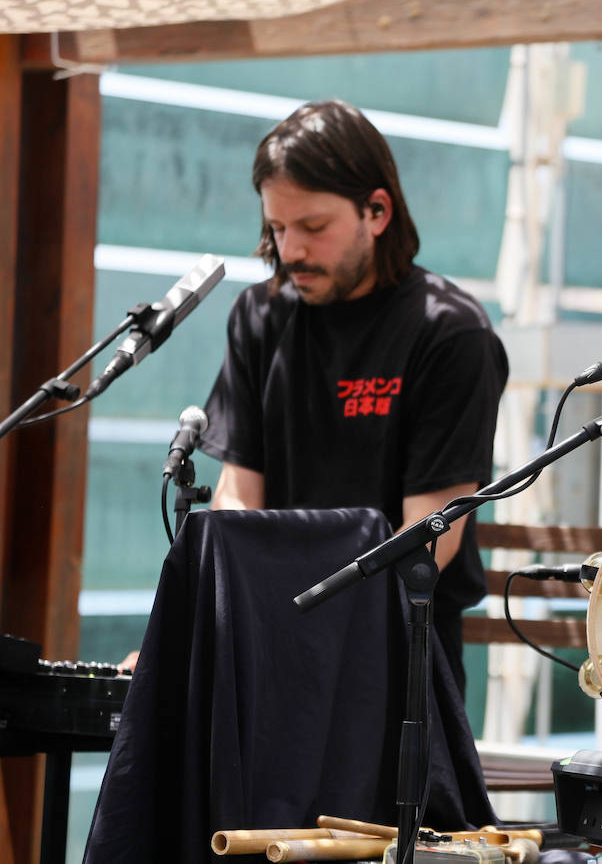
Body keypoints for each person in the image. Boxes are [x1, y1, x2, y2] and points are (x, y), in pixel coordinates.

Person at [197, 99, 509, 696]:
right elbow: (238, 494)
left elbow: (430, 540)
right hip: (272, 642)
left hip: (397, 656)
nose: (289, 251)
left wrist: (302, 622)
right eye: (277, 228)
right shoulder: (259, 316)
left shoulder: (450, 332)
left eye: (312, 228)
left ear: (377, 210)